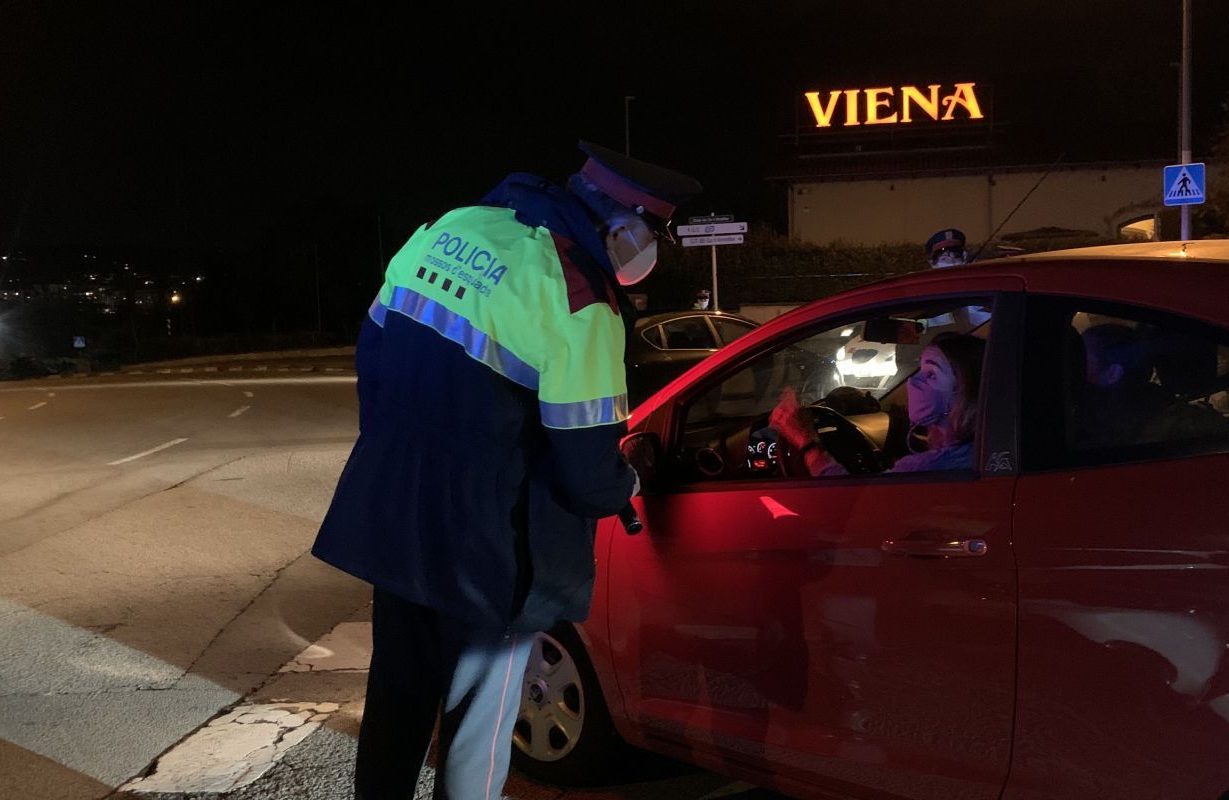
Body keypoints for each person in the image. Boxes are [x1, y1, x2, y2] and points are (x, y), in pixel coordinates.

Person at [312, 141, 700, 800]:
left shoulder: (447, 227)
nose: (653, 251)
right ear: (628, 228)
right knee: (477, 732)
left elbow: (372, 354)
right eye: (657, 232)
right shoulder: (580, 300)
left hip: (397, 518)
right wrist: (628, 483)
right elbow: (585, 470)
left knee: (398, 697)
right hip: (490, 554)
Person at [770, 333, 986, 476]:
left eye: (931, 374)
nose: (912, 380)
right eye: (919, 369)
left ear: (964, 392)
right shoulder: (978, 450)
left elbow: (848, 500)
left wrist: (806, 442)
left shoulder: (929, 468)